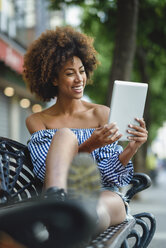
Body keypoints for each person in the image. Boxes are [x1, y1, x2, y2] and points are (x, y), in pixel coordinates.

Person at [22, 26, 148, 242]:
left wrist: (132, 148)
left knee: (90, 211)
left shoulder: (102, 113)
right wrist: (89, 145)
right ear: (53, 79)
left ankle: (65, 222)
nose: (79, 78)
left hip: (104, 193)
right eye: (70, 73)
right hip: (62, 194)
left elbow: (111, 176)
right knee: (64, 135)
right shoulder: (38, 120)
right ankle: (59, 209)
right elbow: (47, 172)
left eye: (81, 70)